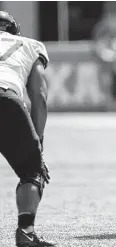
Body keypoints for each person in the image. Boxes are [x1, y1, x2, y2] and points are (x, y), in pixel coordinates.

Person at [0, 11, 54, 246]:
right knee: (33, 171)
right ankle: (26, 232)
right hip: (4, 95)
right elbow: (39, 96)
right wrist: (38, 141)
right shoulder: (30, 44)